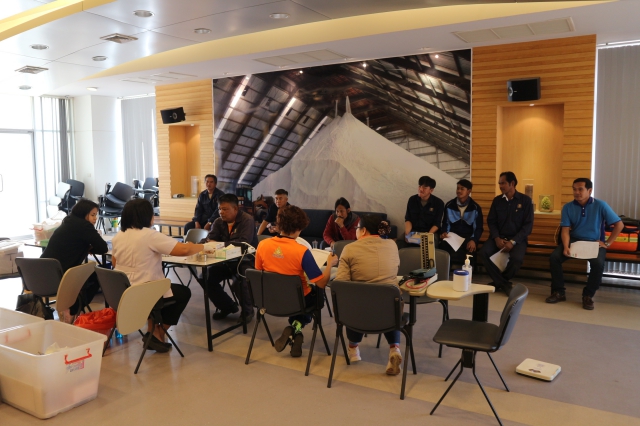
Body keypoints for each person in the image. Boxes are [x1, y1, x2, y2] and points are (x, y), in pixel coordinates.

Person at [112, 198, 209, 353]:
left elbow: (114, 262)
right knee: (182, 293)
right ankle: (158, 332)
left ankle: (153, 332)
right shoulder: (149, 235)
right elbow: (183, 250)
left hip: (124, 292)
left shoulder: (119, 236)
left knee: (160, 290)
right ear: (146, 216)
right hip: (145, 293)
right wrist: (203, 247)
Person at [255, 205, 338, 357]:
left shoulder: (262, 245)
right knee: (316, 295)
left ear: (279, 224)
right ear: (299, 228)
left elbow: (259, 273)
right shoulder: (302, 251)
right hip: (297, 302)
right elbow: (321, 283)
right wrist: (329, 264)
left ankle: (295, 332)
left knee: (298, 295)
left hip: (270, 300)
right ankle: (295, 327)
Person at [334, 214, 403, 375]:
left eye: (357, 228)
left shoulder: (349, 248)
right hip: (388, 314)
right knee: (390, 301)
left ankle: (353, 349)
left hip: (358, 316)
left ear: (363, 230)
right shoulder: (392, 245)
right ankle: (394, 348)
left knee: (354, 301)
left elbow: (341, 284)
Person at [546, 178, 623, 310]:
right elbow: (565, 230)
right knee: (554, 258)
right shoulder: (568, 207)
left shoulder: (601, 205)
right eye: (574, 189)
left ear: (589, 190)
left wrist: (607, 243)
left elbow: (619, 225)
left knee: (598, 264)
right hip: (574, 240)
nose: (577, 192)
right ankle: (559, 292)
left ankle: (588, 295)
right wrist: (566, 246)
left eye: (580, 189)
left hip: (595, 242)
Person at [41, 199, 108, 320]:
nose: (95, 218)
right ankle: (73, 309)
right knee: (98, 275)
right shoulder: (84, 226)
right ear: (84, 213)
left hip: (41, 275)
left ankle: (69, 306)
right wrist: (90, 248)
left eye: (96, 215)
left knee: (86, 275)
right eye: (93, 215)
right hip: (62, 276)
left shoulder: (68, 221)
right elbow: (103, 248)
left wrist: (87, 247)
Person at [205, 194, 258, 322]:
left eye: (225, 209)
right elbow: (209, 239)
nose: (221, 212)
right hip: (225, 261)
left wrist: (219, 244)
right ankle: (227, 306)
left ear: (235, 209)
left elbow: (243, 243)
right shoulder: (218, 222)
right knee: (206, 277)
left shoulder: (247, 220)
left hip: (246, 260)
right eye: (219, 209)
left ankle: (248, 311)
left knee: (239, 280)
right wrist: (196, 245)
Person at [480, 171, 533, 295]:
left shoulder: (525, 201)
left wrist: (513, 242)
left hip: (517, 240)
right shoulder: (497, 201)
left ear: (512, 183)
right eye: (499, 183)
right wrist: (496, 238)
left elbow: (528, 226)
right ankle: (504, 284)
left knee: (516, 259)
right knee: (483, 252)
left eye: (503, 183)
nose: (500, 186)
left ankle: (499, 282)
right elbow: (491, 221)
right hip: (498, 237)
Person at [440, 179, 484, 268]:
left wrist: (474, 240)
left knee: (471, 248)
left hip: (468, 237)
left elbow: (478, 228)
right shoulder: (449, 205)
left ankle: (468, 273)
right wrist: (444, 232)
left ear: (469, 191)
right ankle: (445, 272)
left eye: (462, 189)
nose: (459, 191)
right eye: (458, 188)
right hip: (452, 237)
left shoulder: (475, 207)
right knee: (443, 246)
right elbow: (445, 223)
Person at [403, 176, 444, 246]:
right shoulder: (412, 200)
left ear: (431, 190)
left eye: (425, 188)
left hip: (430, 232)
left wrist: (427, 236)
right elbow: (408, 219)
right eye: (420, 186)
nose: (421, 189)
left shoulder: (439, 203)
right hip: (414, 231)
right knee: (403, 242)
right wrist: (407, 232)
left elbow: (437, 224)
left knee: (428, 245)